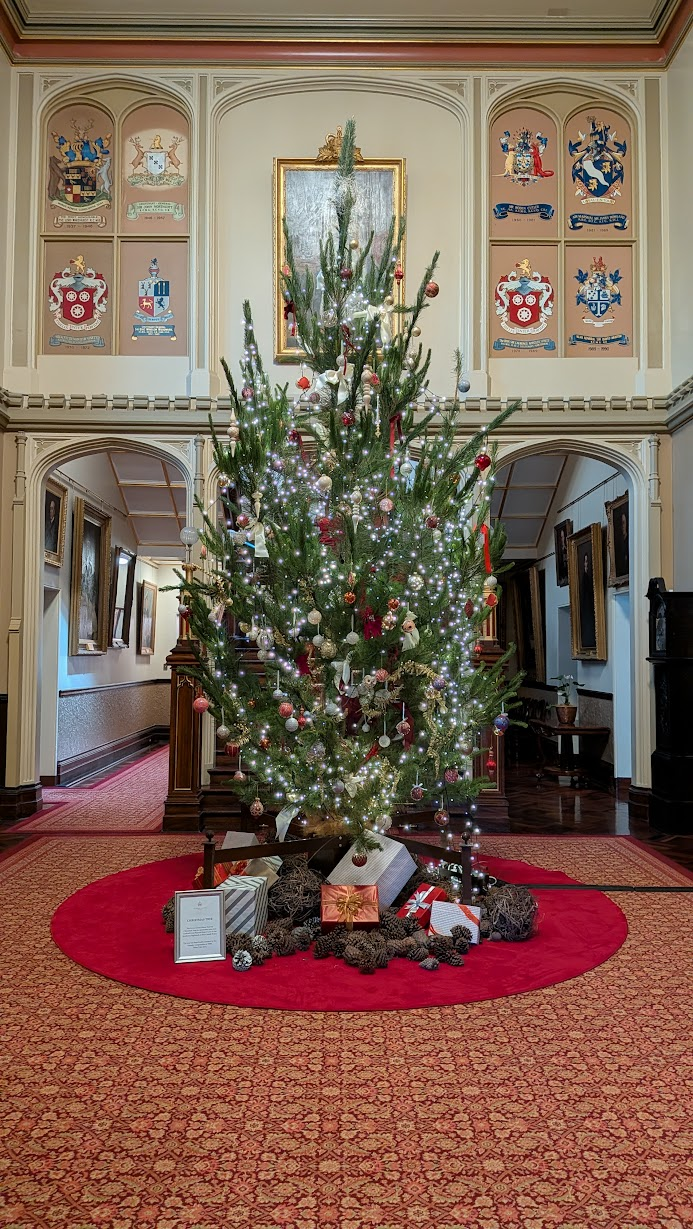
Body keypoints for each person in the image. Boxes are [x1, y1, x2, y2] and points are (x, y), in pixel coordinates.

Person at [579, 549, 596, 649]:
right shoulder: (584, 579)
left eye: (587, 562)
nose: (586, 565)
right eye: (585, 562)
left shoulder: (592, 578)